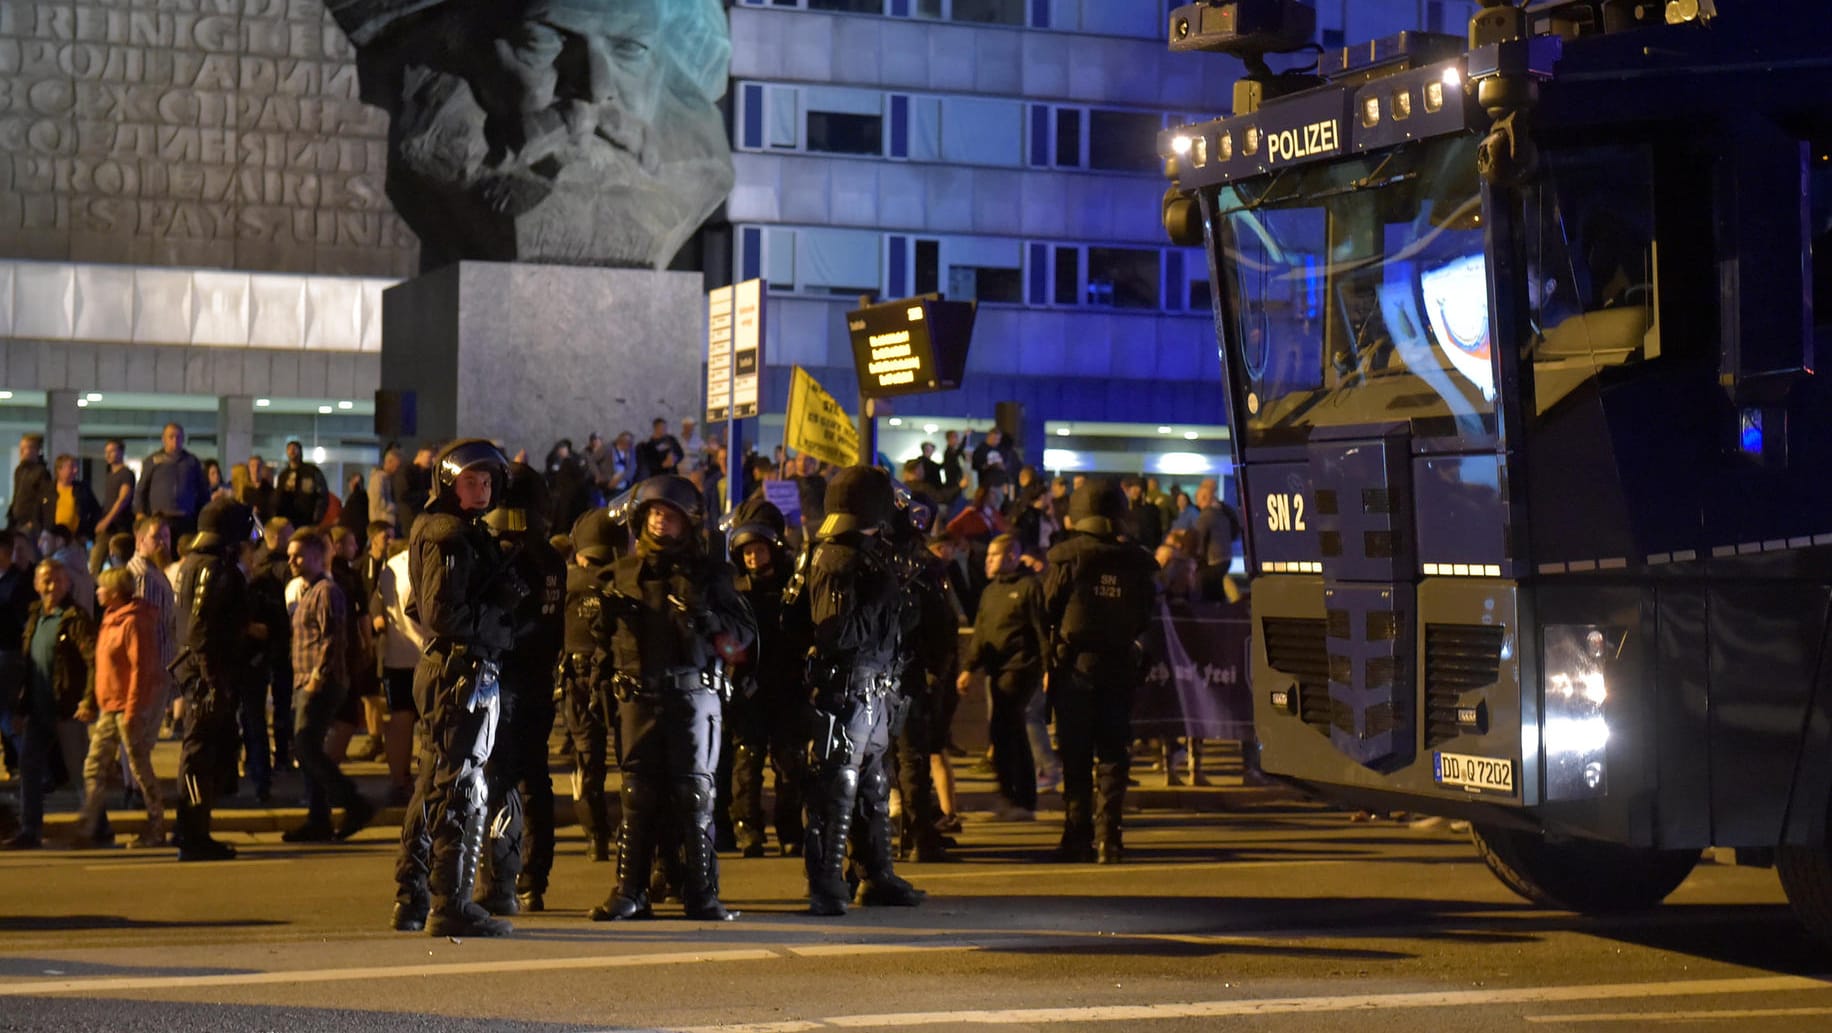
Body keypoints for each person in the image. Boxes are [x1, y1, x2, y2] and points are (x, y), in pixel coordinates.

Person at [589, 476, 754, 923]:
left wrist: (707, 620)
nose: (662, 522)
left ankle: (701, 893)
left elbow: (743, 642)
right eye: (656, 514)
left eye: (672, 515)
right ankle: (630, 891)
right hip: (637, 698)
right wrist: (600, 623)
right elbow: (598, 645)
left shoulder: (711, 575)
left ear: (688, 523)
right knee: (636, 795)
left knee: (694, 795)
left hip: (692, 697)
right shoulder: (621, 575)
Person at [393, 439, 524, 938]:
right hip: (462, 673)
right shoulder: (450, 535)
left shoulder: (442, 530)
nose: (482, 489)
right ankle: (451, 903)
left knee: (435, 784)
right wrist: (499, 617)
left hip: (449, 671)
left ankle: (411, 896)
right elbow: (442, 615)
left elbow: (416, 609)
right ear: (449, 483)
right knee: (460, 790)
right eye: (471, 480)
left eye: (487, 481)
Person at [801, 466, 926, 916]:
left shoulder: (870, 554)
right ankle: (828, 882)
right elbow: (838, 633)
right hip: (846, 689)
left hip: (873, 689)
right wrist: (880, 598)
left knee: (873, 785)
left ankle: (877, 875)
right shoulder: (836, 558)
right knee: (837, 787)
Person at [1043, 479, 1160, 864]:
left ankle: (1077, 836)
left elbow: (1047, 609)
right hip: (1119, 667)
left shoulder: (1067, 558)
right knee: (1113, 755)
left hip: (1074, 669)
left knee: (1076, 758)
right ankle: (1110, 838)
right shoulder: (1138, 563)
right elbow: (1146, 618)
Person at [477, 464, 567, 916]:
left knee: (500, 782)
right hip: (537, 684)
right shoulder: (551, 558)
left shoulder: (502, 555)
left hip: (504, 682)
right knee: (534, 781)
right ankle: (532, 879)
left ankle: (501, 878)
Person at [170, 499, 256, 861]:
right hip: (208, 674)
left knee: (209, 752)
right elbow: (201, 627)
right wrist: (211, 678)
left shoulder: (195, 564)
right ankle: (192, 833)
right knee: (199, 752)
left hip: (205, 672)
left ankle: (194, 830)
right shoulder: (213, 568)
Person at [725, 498, 810, 859]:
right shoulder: (734, 591)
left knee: (790, 765)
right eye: (746, 552)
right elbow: (723, 638)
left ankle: (790, 829)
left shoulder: (795, 588)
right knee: (747, 764)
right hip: (749, 689)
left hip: (789, 687)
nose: (752, 557)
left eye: (758, 549)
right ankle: (749, 831)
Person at [280, 528, 375, 843]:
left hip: (319, 682)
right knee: (309, 749)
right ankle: (318, 818)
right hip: (305, 679)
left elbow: (333, 637)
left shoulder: (326, 591)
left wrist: (317, 678)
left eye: (298, 555)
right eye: (290, 554)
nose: (291, 560)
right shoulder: (308, 590)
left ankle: (353, 802)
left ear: (317, 557)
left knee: (305, 745)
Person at [4, 559, 98, 850]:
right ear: (36, 584)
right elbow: (30, 667)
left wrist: (88, 699)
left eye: (57, 580)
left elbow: (93, 661)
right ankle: (30, 829)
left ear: (67, 583)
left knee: (80, 771)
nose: (51, 586)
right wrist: (21, 708)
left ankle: (98, 826)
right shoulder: (35, 617)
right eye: (45, 580)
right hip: (38, 708)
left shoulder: (74, 618)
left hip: (68, 707)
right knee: (29, 767)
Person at [959, 534, 1049, 821]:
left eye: (993, 556)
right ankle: (1008, 795)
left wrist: (1048, 669)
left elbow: (1042, 630)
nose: (988, 561)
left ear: (1011, 556)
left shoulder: (1029, 587)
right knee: (1001, 732)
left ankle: (1022, 798)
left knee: (1012, 727)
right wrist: (968, 668)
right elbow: (982, 632)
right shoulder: (990, 592)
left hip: (1021, 668)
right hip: (995, 670)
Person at [557, 507, 627, 864]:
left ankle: (595, 837)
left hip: (577, 679)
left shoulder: (566, 584)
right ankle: (632, 835)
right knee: (632, 761)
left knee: (587, 761)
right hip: (620, 680)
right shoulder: (623, 584)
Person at [77, 567, 165, 848]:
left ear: (114, 593)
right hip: (110, 706)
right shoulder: (110, 619)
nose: (97, 592)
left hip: (128, 708)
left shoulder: (132, 622)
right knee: (94, 766)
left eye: (102, 588)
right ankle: (88, 827)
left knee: (140, 768)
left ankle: (157, 826)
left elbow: (142, 668)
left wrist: (132, 710)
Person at [371, 539, 425, 804]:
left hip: (396, 657)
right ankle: (426, 780)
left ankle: (399, 781)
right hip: (426, 656)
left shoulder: (390, 567)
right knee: (431, 724)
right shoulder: (426, 565)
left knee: (399, 723)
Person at [134, 423, 210, 537]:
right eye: (171, 437)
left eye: (178, 437)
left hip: (186, 519)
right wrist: (140, 513)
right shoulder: (153, 461)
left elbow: (202, 492)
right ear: (163, 439)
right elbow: (141, 490)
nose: (175, 440)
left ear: (183, 439)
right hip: (159, 518)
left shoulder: (192, 462)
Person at [274, 440, 331, 530]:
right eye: (289, 449)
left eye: (294, 449)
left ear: (300, 451)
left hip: (307, 520)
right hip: (287, 522)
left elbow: (322, 496)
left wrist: (316, 519)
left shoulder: (311, 472)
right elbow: (278, 497)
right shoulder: (283, 475)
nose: (292, 451)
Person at [7, 434, 55, 537]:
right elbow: (17, 495)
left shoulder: (41, 472)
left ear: (36, 450)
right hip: (16, 522)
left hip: (30, 524)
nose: (21, 451)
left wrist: (33, 522)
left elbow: (45, 501)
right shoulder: (19, 471)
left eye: (26, 448)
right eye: (21, 448)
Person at [93, 439, 137, 549]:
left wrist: (106, 521)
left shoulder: (126, 474)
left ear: (121, 452)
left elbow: (123, 499)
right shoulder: (110, 475)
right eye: (106, 451)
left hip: (120, 526)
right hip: (109, 525)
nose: (107, 455)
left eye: (112, 451)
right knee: (96, 561)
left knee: (118, 558)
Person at [50, 454, 100, 544]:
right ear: (59, 470)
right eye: (71, 467)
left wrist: (87, 533)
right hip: (53, 539)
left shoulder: (82, 489)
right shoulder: (48, 490)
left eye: (76, 467)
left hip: (76, 539)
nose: (75, 470)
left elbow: (96, 511)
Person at [1122, 476, 1164, 551]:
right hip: (1127, 550)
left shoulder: (1151, 509)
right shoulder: (1123, 510)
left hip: (1146, 549)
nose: (1134, 490)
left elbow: (1156, 533)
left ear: (1143, 490)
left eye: (1137, 487)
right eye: (1132, 487)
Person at [369, 447, 402, 533]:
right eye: (396, 466)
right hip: (381, 523)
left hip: (386, 523)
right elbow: (378, 502)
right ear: (389, 462)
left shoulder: (387, 478)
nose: (397, 469)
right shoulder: (378, 478)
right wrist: (397, 508)